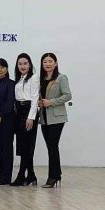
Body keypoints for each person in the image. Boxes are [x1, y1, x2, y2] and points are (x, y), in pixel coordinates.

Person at [37, 52, 72, 188]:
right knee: (51, 147)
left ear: (55, 63)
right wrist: (40, 102)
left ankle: (53, 177)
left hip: (57, 118)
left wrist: (50, 102)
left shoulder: (61, 78)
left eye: (50, 61)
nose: (47, 64)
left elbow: (67, 95)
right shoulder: (41, 78)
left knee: (52, 146)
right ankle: (57, 175)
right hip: (44, 117)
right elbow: (41, 96)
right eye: (45, 61)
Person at [12, 53, 39, 186]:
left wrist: (31, 117)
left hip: (28, 112)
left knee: (27, 145)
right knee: (23, 145)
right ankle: (31, 175)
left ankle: (21, 175)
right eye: (20, 64)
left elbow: (35, 98)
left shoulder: (34, 78)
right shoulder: (18, 79)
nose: (22, 66)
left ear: (30, 65)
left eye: (25, 63)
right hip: (19, 112)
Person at [0, 58, 16, 185]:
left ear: (6, 69)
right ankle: (1, 175)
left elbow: (10, 102)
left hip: (7, 120)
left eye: (2, 67)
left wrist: (0, 115)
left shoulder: (11, 84)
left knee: (6, 148)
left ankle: (6, 177)